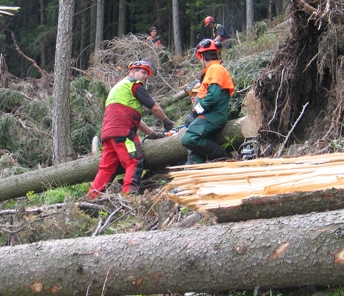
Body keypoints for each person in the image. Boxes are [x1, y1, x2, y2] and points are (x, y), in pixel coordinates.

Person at [88, 58, 175, 199]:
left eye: (147, 73)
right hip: (123, 132)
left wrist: (153, 134)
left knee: (106, 169)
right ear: (133, 73)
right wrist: (167, 121)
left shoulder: (118, 89)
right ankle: (129, 198)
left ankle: (91, 199)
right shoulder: (135, 85)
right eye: (143, 72)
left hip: (109, 134)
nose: (146, 76)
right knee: (133, 161)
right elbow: (155, 108)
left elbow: (136, 120)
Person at [181, 39, 235, 164]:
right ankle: (193, 173)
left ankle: (226, 157)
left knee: (189, 139)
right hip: (208, 115)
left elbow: (213, 97)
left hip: (211, 116)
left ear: (202, 57)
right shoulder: (214, 69)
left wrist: (196, 112)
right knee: (195, 153)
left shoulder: (215, 69)